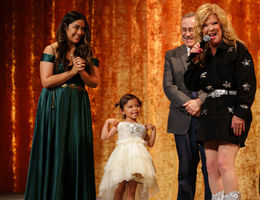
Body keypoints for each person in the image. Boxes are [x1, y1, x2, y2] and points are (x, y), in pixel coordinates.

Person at [24, 11, 100, 200]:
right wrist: (72, 70)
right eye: (76, 27)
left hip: (78, 107)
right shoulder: (51, 49)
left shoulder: (87, 52)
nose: (80, 32)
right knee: (57, 150)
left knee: (76, 150)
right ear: (65, 27)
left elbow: (95, 82)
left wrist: (81, 73)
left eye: (83, 28)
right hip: (55, 107)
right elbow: (46, 81)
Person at [184, 3, 256, 200]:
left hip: (232, 111)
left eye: (214, 23)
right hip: (210, 114)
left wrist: (240, 113)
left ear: (222, 25)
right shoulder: (203, 53)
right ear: (201, 30)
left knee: (225, 162)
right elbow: (190, 83)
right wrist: (195, 58)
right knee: (211, 166)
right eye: (205, 26)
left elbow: (248, 84)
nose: (210, 29)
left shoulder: (236, 49)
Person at [163, 12, 211, 200]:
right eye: (184, 30)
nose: (187, 33)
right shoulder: (172, 55)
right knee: (185, 170)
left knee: (210, 170)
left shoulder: (211, 53)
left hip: (207, 118)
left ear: (199, 31)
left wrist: (200, 101)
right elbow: (168, 86)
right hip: (182, 119)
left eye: (191, 29)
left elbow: (215, 84)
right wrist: (189, 104)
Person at [99, 94, 159, 200]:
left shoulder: (142, 127)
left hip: (137, 161)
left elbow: (150, 143)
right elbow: (104, 136)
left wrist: (153, 130)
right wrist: (107, 122)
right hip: (122, 160)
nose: (135, 109)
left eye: (137, 106)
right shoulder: (120, 125)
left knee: (132, 190)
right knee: (120, 189)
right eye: (130, 107)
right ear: (122, 111)